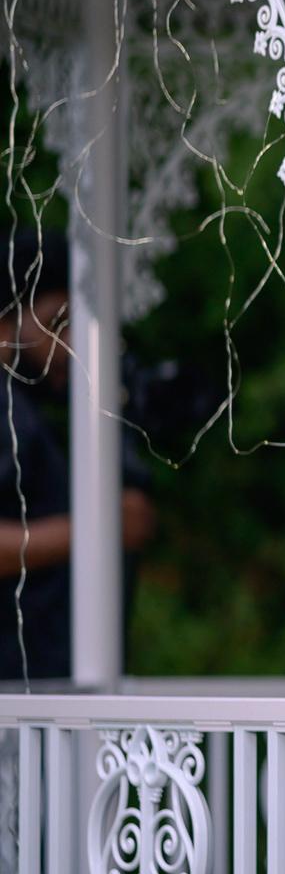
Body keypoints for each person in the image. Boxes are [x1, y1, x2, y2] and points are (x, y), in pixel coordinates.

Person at [0, 228, 155, 683]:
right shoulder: (9, 408)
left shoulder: (52, 406)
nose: (70, 344)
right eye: (56, 323)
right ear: (6, 326)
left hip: (55, 683)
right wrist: (99, 526)